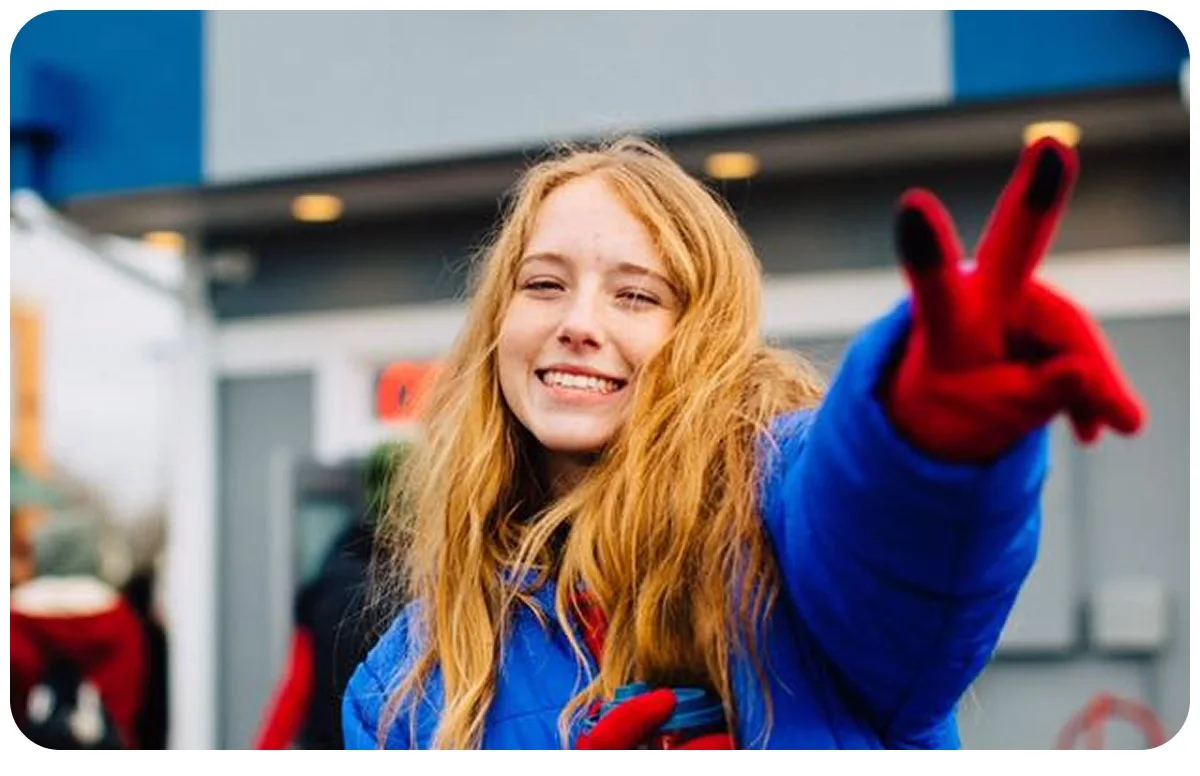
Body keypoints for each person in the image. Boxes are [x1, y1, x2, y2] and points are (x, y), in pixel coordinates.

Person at [341, 135, 1144, 749]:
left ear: (704, 333)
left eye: (636, 295)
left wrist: (926, 426)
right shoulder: (400, 684)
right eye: (544, 284)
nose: (578, 324)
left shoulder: (774, 513)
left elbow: (880, 536)